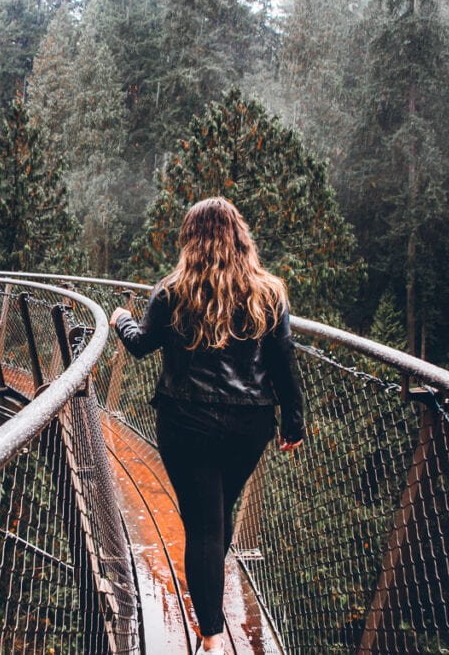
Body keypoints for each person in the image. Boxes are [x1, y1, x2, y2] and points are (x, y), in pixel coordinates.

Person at [110, 197, 304, 655]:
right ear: (241, 237)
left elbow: (140, 346)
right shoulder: (269, 293)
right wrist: (293, 420)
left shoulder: (172, 291)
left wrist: (121, 321)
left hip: (185, 420)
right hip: (249, 422)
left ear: (190, 240)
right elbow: (284, 361)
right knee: (219, 513)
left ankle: (213, 637)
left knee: (202, 524)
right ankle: (213, 618)